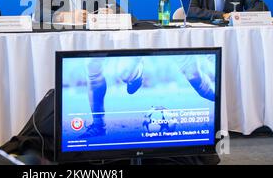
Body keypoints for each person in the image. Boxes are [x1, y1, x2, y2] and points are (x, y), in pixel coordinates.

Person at [81, 55, 216, 138]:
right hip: (119, 28)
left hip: (164, 30)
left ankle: (222, 101)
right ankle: (99, 126)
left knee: (195, 77)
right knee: (96, 67)